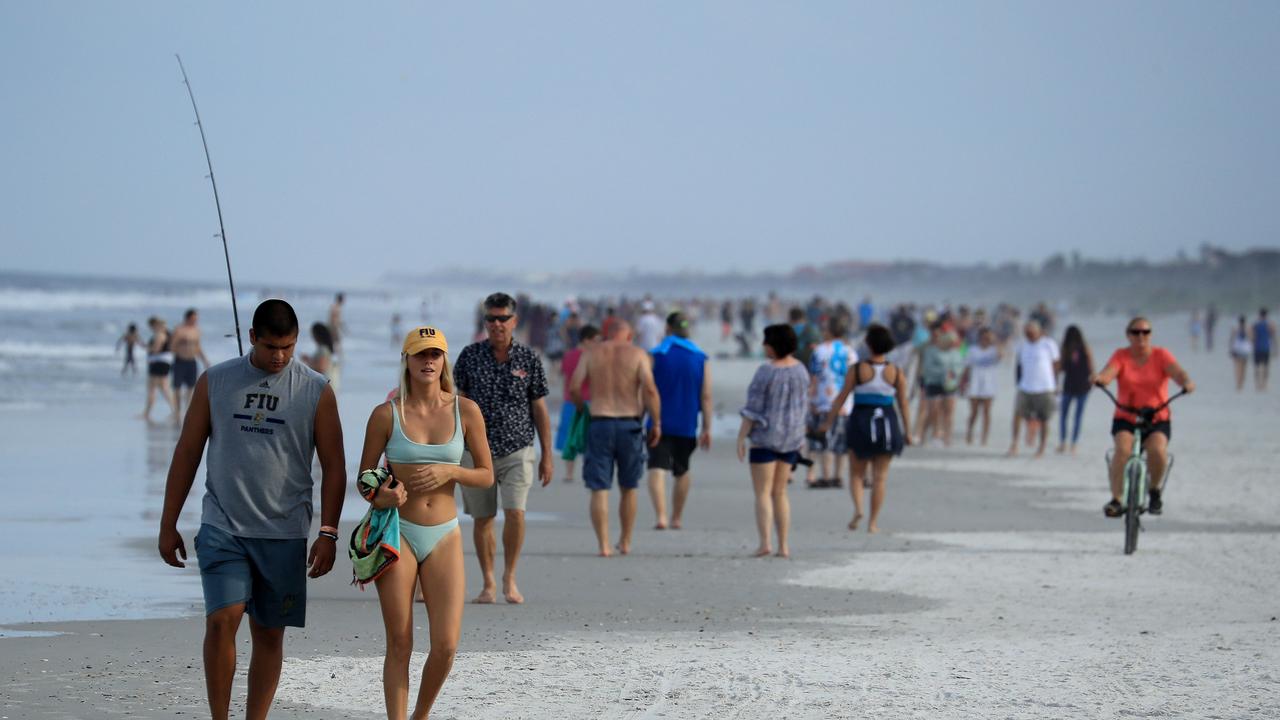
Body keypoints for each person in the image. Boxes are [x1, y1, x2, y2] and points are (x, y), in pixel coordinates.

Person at [157, 299, 346, 720]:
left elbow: (335, 465)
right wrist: (168, 523)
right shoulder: (216, 381)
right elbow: (187, 452)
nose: (279, 357)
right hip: (223, 524)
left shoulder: (316, 389)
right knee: (222, 620)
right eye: (271, 347)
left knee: (268, 634)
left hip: (284, 531)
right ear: (252, 337)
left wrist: (329, 533)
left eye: (288, 347)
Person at [359, 326, 494, 719]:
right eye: (420, 354)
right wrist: (382, 495)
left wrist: (449, 473)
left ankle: (420, 715)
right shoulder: (386, 414)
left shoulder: (465, 410)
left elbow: (485, 474)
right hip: (397, 531)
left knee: (447, 644)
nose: (428, 361)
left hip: (444, 535)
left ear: (444, 360)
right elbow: (365, 478)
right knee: (399, 642)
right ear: (407, 360)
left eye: (435, 354)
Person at [452, 292, 552, 604]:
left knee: (515, 513)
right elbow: (456, 404)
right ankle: (488, 582)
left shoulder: (528, 358)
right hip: (476, 452)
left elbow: (540, 409)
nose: (497, 324)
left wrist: (547, 454)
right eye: (491, 319)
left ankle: (510, 576)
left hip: (518, 448)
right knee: (482, 518)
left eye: (503, 318)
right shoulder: (469, 356)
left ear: (514, 321)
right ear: (485, 321)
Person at [569, 320, 661, 556]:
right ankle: (626, 541)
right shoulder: (638, 353)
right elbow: (650, 389)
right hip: (629, 422)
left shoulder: (591, 352)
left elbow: (575, 387)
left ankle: (604, 545)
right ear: (629, 335)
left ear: (607, 335)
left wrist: (582, 409)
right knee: (629, 486)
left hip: (600, 420)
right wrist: (656, 422)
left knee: (599, 487)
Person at [1092, 317, 1194, 517]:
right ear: (1128, 335)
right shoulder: (1121, 356)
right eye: (1136, 332)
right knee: (1122, 450)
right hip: (1126, 415)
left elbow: (1178, 373)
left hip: (1156, 416)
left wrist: (1186, 382)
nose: (1141, 336)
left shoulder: (1161, 355)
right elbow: (1108, 373)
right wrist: (1099, 379)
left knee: (1157, 450)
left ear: (1151, 334)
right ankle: (1116, 499)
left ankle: (1154, 490)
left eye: (1145, 332)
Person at [821, 324, 911, 534]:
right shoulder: (896, 372)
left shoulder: (858, 370)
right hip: (887, 422)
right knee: (880, 477)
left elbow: (840, 398)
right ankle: (873, 523)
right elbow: (904, 404)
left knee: (856, 474)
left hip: (861, 420)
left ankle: (858, 509)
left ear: (868, 344)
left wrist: (828, 422)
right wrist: (908, 431)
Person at [737, 324, 809, 558]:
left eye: (766, 341)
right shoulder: (801, 370)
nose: (762, 345)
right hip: (791, 438)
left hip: (765, 438)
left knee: (763, 493)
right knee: (780, 493)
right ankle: (784, 546)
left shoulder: (765, 371)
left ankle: (765, 542)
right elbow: (802, 408)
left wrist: (741, 436)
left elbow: (753, 409)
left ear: (773, 344)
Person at [646, 312, 712, 530]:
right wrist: (707, 427)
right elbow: (706, 396)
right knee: (682, 469)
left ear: (668, 329)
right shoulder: (700, 357)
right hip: (687, 422)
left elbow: (645, 390)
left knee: (657, 467)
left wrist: (638, 416)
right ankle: (677, 517)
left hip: (658, 422)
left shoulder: (656, 355)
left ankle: (661, 516)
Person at [805, 317, 855, 487]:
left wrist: (811, 400)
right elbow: (853, 378)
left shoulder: (819, 351)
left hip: (822, 401)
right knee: (841, 443)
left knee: (822, 441)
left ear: (829, 331)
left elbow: (814, 377)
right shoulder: (850, 352)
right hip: (844, 402)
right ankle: (838, 475)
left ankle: (825, 475)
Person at [1008, 320, 1060, 458]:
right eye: (1027, 333)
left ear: (1038, 332)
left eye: (1031, 333)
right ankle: (1014, 444)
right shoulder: (1022, 345)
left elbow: (1056, 365)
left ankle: (1041, 447)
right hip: (1025, 386)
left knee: (1044, 418)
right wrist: (1018, 382)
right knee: (1017, 414)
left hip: (1045, 387)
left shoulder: (1048, 344)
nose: (1029, 336)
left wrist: (1056, 384)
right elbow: (1018, 366)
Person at [555, 325, 600, 483]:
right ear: (586, 340)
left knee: (570, 437)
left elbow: (564, 375)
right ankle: (588, 471)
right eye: (595, 340)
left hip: (569, 400)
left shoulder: (568, 355)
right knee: (590, 438)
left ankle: (569, 473)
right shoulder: (592, 357)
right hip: (588, 400)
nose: (598, 343)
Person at [916, 330, 963, 446]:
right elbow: (927, 368)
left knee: (949, 411)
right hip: (933, 382)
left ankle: (947, 437)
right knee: (933, 410)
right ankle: (926, 433)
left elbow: (959, 367)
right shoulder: (931, 351)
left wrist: (953, 373)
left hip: (950, 384)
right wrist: (944, 372)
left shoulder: (955, 353)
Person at [1056, 324, 1093, 454]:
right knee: (1078, 416)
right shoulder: (1085, 348)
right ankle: (1074, 444)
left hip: (1069, 385)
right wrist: (1093, 381)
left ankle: (1063, 442)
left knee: (1064, 416)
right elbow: (1091, 367)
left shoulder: (1065, 349)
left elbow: (1060, 368)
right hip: (1083, 386)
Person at [960, 326, 1001, 446]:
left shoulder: (994, 350)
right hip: (975, 384)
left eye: (988, 338)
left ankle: (984, 437)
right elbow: (966, 367)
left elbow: (1001, 355)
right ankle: (969, 432)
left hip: (989, 385)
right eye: (984, 337)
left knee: (987, 412)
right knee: (974, 412)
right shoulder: (973, 350)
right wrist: (963, 383)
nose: (986, 340)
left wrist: (995, 341)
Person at [171, 308, 212, 424]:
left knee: (190, 388)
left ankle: (186, 411)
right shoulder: (179, 330)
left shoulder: (196, 331)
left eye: (196, 319)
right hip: (180, 361)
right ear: (188, 318)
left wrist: (205, 360)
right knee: (177, 388)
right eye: (194, 319)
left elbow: (198, 347)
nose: (195, 321)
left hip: (191, 361)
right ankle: (177, 411)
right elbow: (172, 346)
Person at [142, 316, 177, 424]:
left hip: (158, 363)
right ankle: (175, 410)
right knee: (163, 388)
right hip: (163, 363)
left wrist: (145, 347)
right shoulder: (165, 334)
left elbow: (156, 350)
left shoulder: (160, 335)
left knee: (153, 388)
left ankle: (147, 413)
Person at [303, 322, 340, 391]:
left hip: (324, 388)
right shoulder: (326, 349)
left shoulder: (323, 349)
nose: (313, 337)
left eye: (313, 334)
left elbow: (321, 368)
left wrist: (308, 362)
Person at [1252, 308, 1275, 391]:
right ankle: (1264, 384)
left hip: (1257, 348)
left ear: (1259, 315)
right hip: (1266, 348)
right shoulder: (1269, 325)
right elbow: (1273, 336)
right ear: (1266, 315)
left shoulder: (1255, 325)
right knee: (1266, 367)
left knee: (1257, 367)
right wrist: (1276, 349)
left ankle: (1257, 384)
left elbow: (1253, 337)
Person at [1230, 315, 1252, 391]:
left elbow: (1232, 340)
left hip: (1237, 350)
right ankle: (1241, 383)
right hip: (1245, 350)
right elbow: (1251, 339)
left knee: (1237, 368)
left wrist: (1231, 350)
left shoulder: (1235, 329)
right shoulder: (1248, 329)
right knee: (1244, 368)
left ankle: (1238, 384)